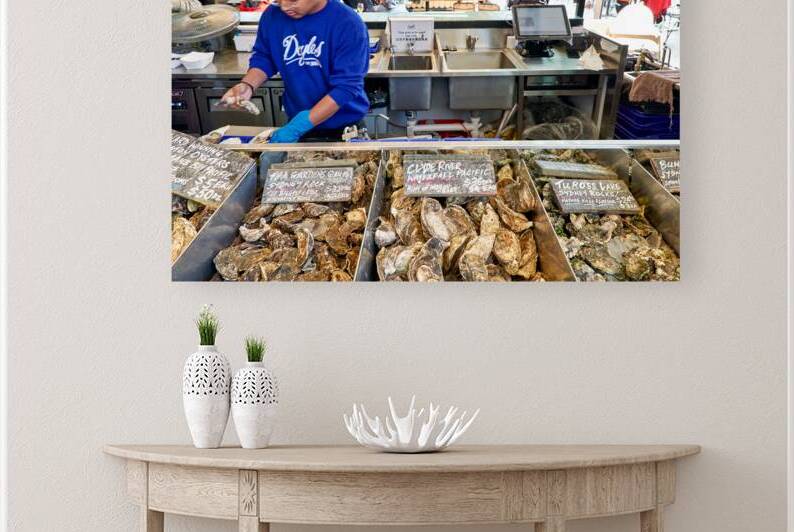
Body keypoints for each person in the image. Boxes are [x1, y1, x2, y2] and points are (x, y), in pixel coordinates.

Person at [222, 0, 370, 142]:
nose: (284, 7)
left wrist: (299, 126)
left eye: (293, 0)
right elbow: (265, 57)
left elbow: (346, 87)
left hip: (344, 128)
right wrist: (248, 85)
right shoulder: (273, 16)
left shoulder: (347, 23)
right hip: (298, 123)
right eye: (278, 0)